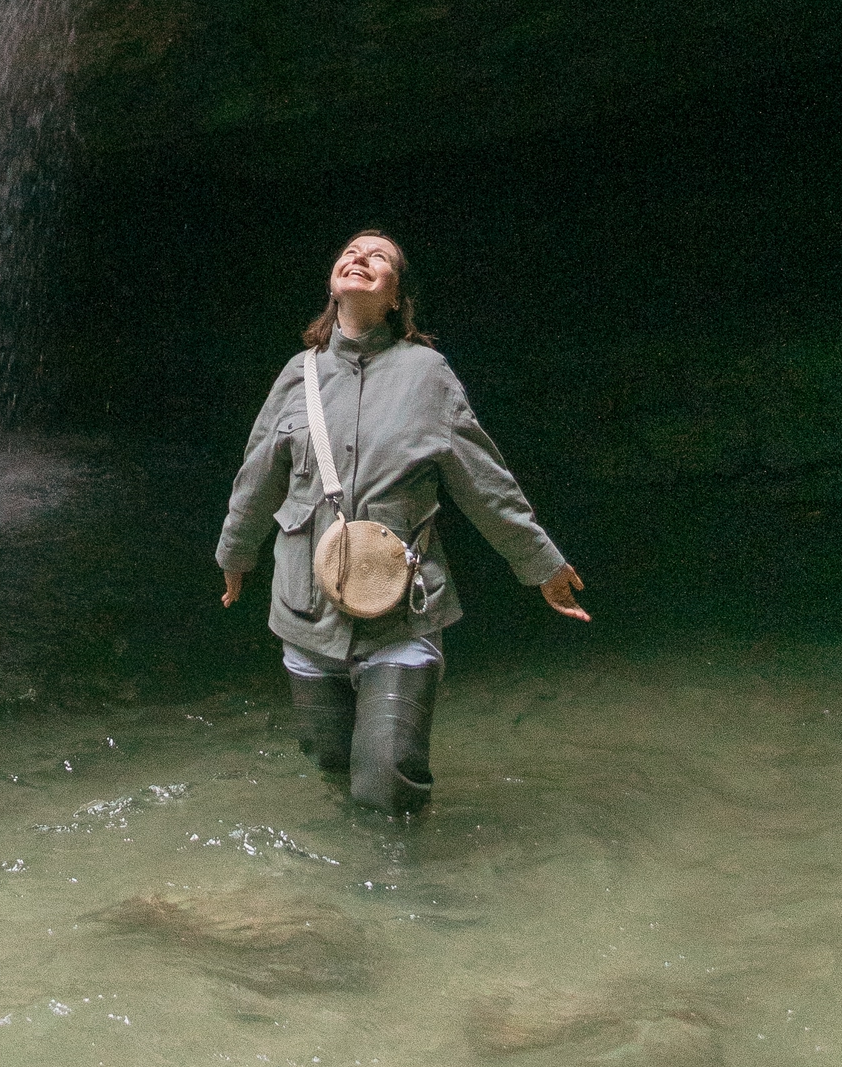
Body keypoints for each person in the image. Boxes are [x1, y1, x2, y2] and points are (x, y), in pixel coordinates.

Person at [216, 230, 587, 814]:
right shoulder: (299, 374)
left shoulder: (427, 374)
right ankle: (346, 899)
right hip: (304, 610)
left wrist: (540, 563)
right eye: (350, 252)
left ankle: (402, 889)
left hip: (403, 614)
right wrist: (235, 556)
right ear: (333, 282)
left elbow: (482, 479)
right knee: (333, 769)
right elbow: (257, 476)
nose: (360, 258)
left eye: (379, 257)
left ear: (395, 298)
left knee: (386, 778)